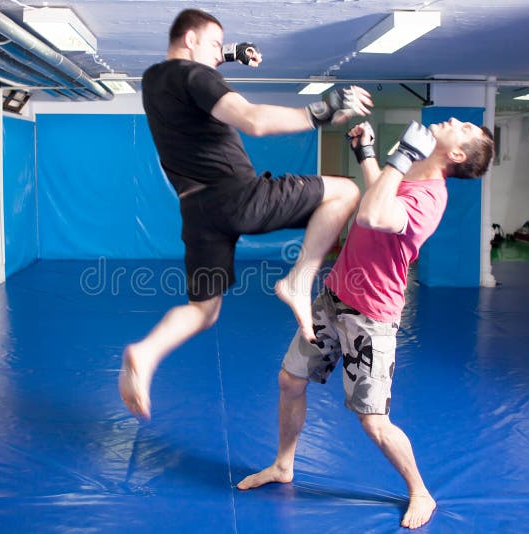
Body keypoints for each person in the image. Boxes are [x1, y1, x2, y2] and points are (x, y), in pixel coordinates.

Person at [237, 119, 495, 530]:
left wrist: (402, 155)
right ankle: (284, 465)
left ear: (457, 155)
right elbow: (379, 194)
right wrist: (367, 154)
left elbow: (373, 214)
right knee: (290, 380)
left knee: (373, 421)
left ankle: (420, 491)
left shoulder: (430, 197)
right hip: (334, 296)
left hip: (371, 317)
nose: (455, 121)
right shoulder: (410, 177)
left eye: (464, 128)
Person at [119, 8, 374, 420]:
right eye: (215, 44)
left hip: (197, 211)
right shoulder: (196, 76)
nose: (220, 52)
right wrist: (321, 111)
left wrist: (230, 53)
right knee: (346, 191)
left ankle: (145, 353)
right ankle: (298, 281)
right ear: (191, 41)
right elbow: (253, 121)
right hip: (237, 196)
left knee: (203, 310)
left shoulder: (153, 79)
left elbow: (201, 63)